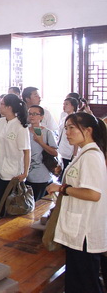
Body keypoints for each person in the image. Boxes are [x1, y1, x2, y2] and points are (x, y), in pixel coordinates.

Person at [46, 112, 107, 293]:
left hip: (85, 232)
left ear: (88, 130)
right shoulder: (84, 153)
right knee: (76, 281)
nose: (68, 133)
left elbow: (94, 194)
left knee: (86, 282)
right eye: (66, 128)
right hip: (78, 230)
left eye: (72, 128)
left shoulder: (91, 156)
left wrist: (62, 189)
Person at [0, 93, 30, 221]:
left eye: (1, 104)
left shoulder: (20, 126)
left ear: (9, 107)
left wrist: (25, 172)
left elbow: (26, 151)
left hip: (13, 172)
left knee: (10, 205)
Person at [26, 105, 58, 201]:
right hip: (26, 174)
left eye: (35, 114)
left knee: (38, 204)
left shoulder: (47, 132)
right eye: (30, 114)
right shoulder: (24, 130)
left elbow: (54, 152)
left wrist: (40, 142)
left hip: (41, 175)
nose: (32, 116)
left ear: (42, 117)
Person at [57, 97, 78, 181]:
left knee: (66, 172)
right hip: (62, 148)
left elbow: (76, 137)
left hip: (69, 149)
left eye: (66, 104)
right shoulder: (64, 117)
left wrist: (75, 153)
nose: (64, 106)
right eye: (63, 104)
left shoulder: (76, 119)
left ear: (73, 106)